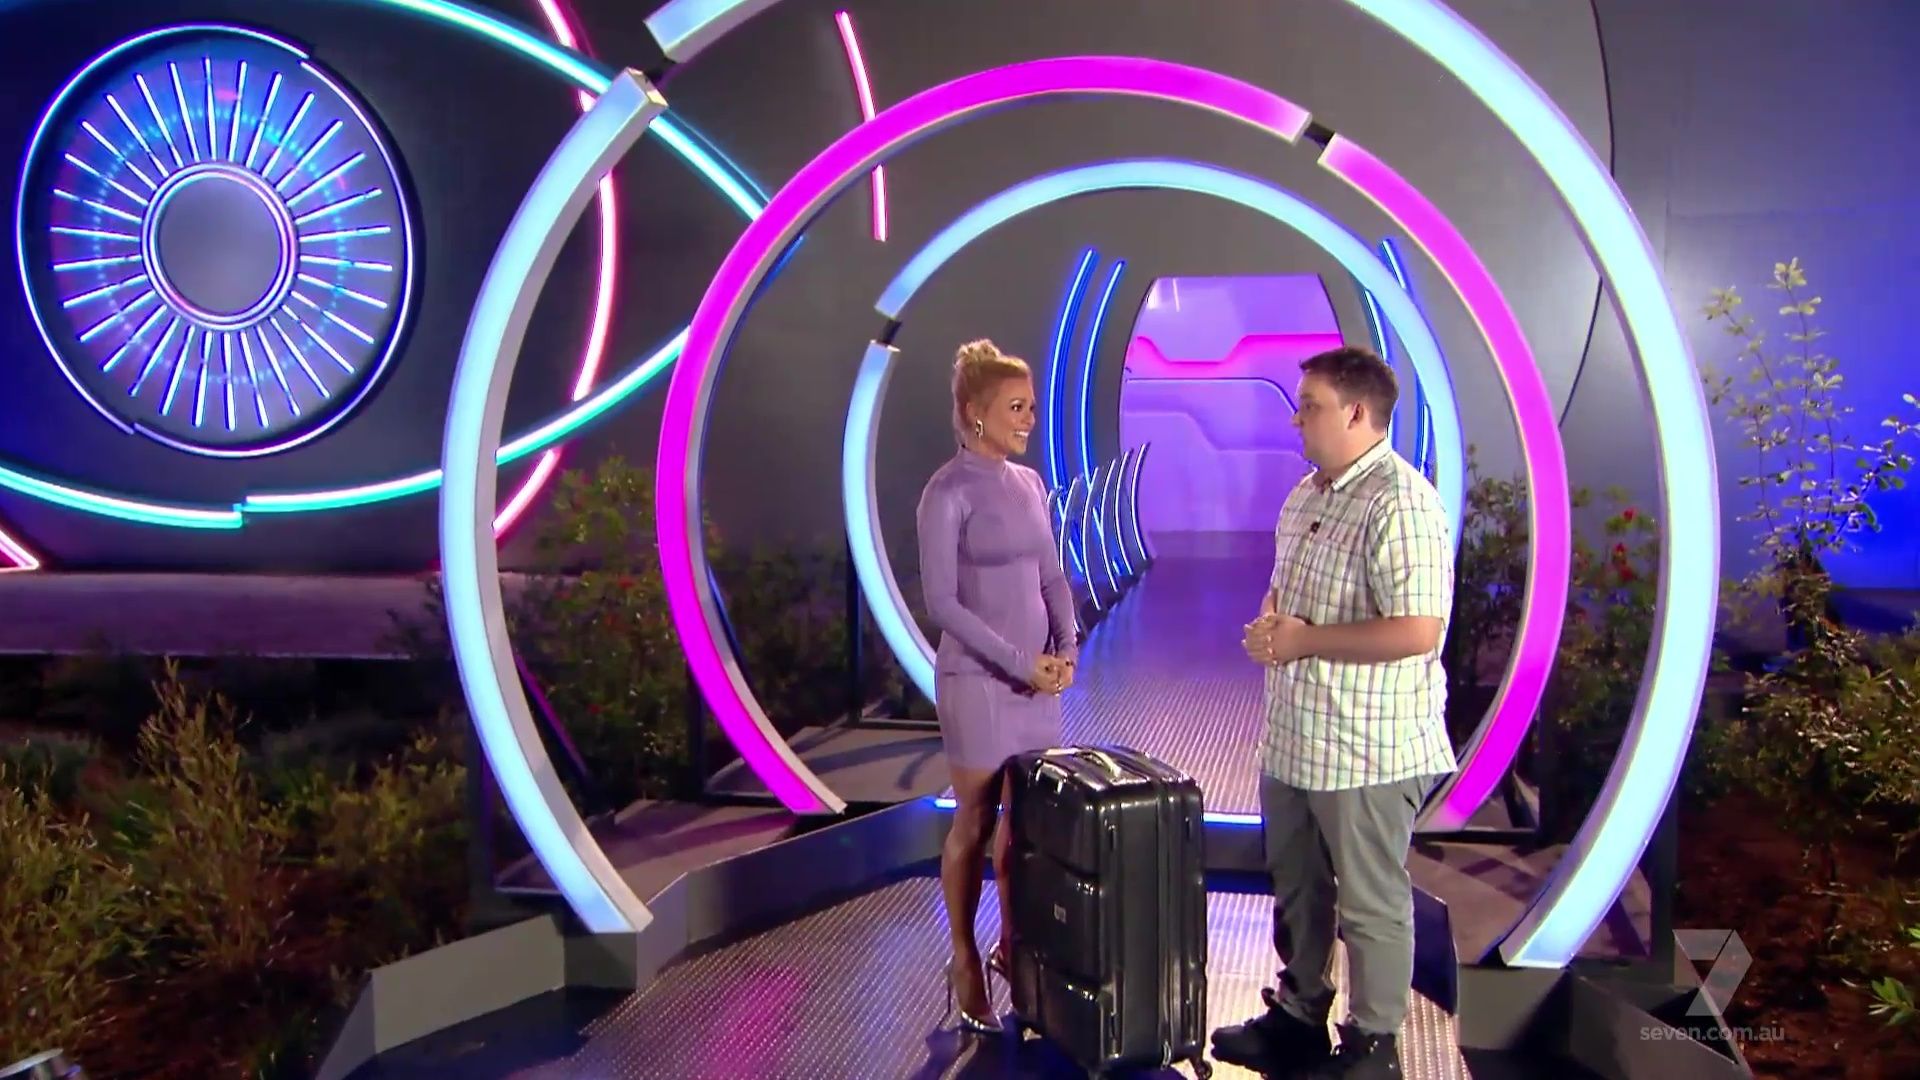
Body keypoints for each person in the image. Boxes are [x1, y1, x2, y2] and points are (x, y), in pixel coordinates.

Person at [1210, 346, 1457, 1079]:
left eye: (1310, 406)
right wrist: (1271, 625)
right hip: (1295, 741)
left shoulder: (1401, 503)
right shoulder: (1306, 496)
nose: (1297, 419)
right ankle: (1298, 1016)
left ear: (1356, 412)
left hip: (1367, 750)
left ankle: (1374, 1046)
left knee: (1371, 904)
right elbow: (1284, 591)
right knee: (1298, 891)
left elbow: (1418, 630)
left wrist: (1307, 641)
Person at [915, 338, 1080, 1034]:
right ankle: (963, 958)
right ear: (976, 413)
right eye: (1017, 408)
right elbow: (942, 604)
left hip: (1036, 685)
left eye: (1032, 407)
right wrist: (1019, 661)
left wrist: (1068, 645)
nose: (1030, 419)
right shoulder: (946, 492)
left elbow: (1052, 575)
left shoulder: (1030, 484)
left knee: (1027, 828)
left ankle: (1015, 949)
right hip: (977, 683)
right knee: (977, 822)